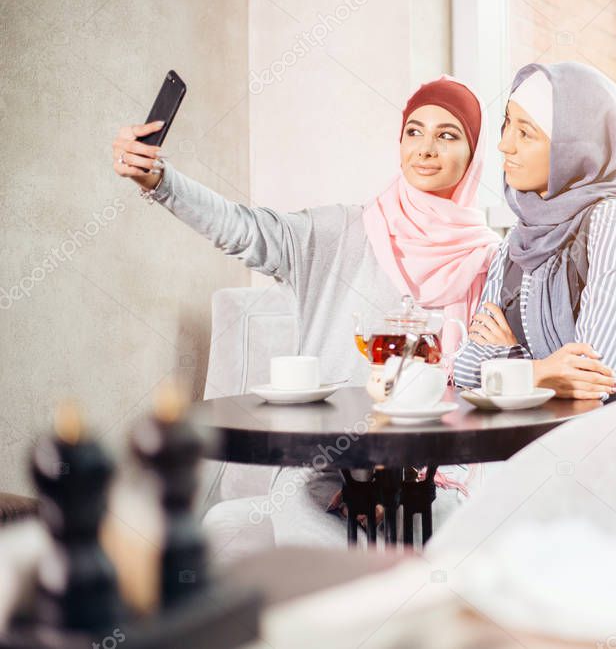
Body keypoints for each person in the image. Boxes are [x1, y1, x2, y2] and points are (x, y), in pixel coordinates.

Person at [112, 76, 500, 550]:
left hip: (431, 478)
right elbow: (242, 229)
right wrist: (159, 181)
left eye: (447, 135)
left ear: (473, 153)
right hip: (324, 472)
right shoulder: (338, 233)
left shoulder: (489, 260)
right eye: (414, 132)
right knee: (314, 536)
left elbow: (484, 390)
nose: (425, 148)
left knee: (440, 533)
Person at [453, 62, 616, 403]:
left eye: (525, 133)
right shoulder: (516, 241)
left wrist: (510, 363)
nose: (505, 146)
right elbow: (465, 373)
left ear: (573, 148)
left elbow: (594, 374)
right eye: (507, 124)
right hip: (538, 441)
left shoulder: (612, 219)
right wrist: (542, 372)